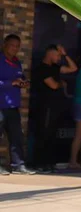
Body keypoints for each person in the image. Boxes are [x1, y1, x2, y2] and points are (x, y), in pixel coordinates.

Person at [30, 44, 77, 172]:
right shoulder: (42, 69)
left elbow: (73, 68)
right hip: (45, 107)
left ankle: (49, 163)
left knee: (51, 135)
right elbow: (54, 85)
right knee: (43, 134)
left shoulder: (56, 68)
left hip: (56, 107)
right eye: (57, 55)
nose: (59, 58)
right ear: (50, 54)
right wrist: (62, 83)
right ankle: (39, 163)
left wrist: (65, 54)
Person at [0, 35, 33, 175]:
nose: (15, 48)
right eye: (12, 45)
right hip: (0, 105)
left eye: (17, 46)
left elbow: (20, 78)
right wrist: (11, 83)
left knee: (16, 136)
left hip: (13, 105)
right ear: (5, 44)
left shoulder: (17, 62)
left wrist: (23, 82)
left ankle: (18, 165)